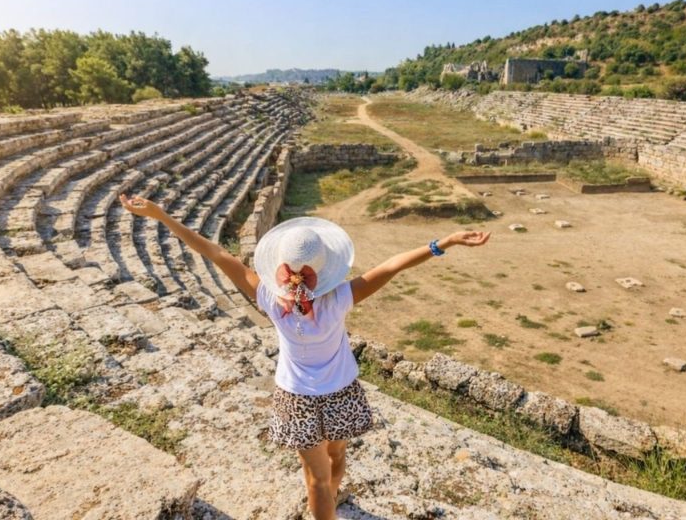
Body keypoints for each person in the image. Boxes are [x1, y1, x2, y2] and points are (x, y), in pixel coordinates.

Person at [119, 193, 491, 520]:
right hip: (342, 392)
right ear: (325, 267)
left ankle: (325, 503)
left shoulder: (266, 296)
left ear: (281, 267)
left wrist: (162, 217)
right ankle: (332, 496)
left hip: (296, 397)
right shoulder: (340, 297)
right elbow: (393, 265)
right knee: (336, 460)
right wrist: (446, 242)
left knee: (315, 478)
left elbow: (213, 252)